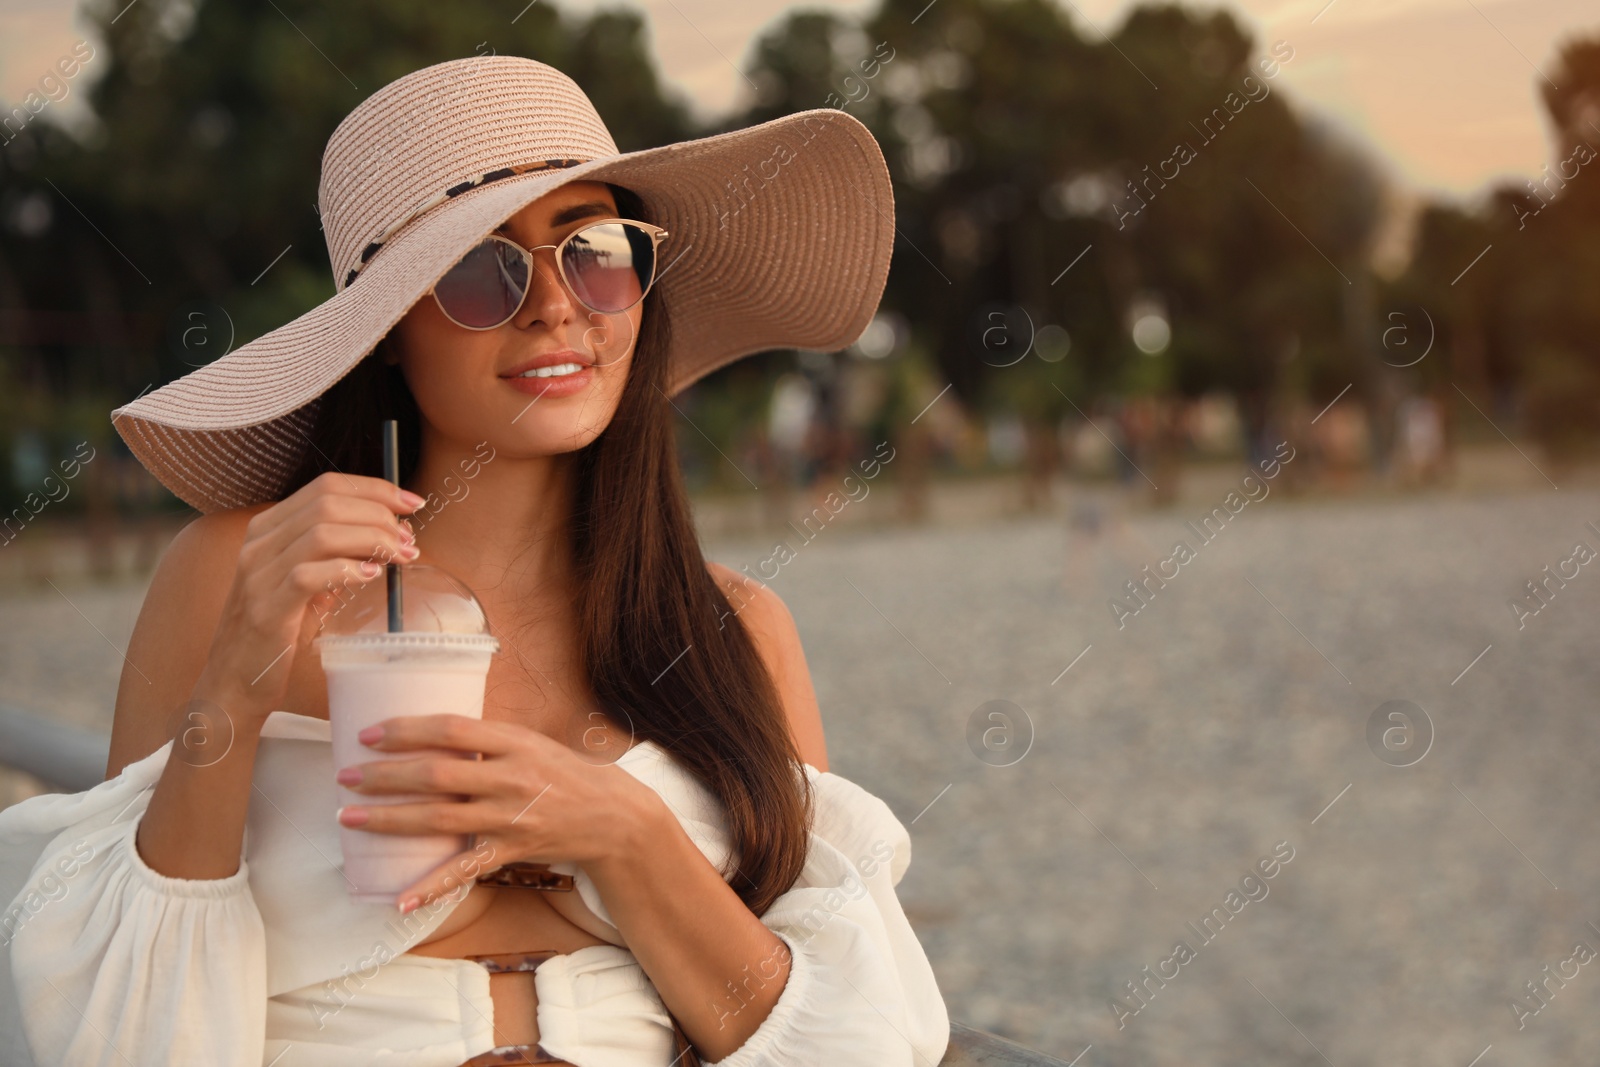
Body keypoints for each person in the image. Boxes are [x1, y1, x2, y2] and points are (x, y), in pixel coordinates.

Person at [0, 56, 947, 1067]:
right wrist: (234, 681)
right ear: (387, 332)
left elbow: (855, 1041)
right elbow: (118, 1025)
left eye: (597, 250)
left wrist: (622, 833)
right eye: (479, 268)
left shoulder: (736, 631)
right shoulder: (242, 569)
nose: (554, 304)